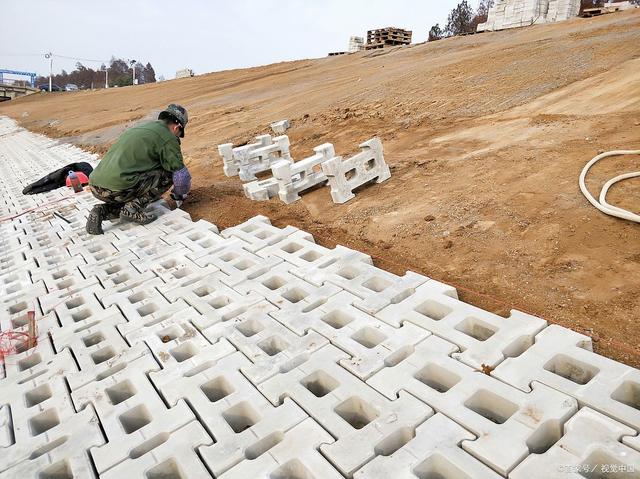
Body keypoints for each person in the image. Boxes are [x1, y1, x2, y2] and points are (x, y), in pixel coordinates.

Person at [86, 104, 190, 235]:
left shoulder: (141, 128)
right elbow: (181, 175)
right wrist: (179, 195)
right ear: (177, 127)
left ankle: (101, 211)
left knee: (124, 194)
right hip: (121, 187)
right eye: (179, 134)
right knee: (170, 173)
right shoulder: (167, 137)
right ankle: (133, 208)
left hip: (97, 187)